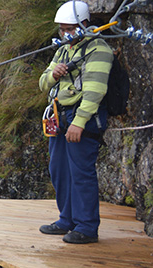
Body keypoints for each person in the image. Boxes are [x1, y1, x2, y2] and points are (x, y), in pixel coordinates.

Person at [38, 1, 113, 244]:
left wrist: (79, 122)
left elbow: (95, 91)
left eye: (69, 29)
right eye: (61, 29)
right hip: (60, 115)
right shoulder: (62, 50)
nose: (65, 33)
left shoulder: (98, 50)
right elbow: (42, 84)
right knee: (59, 169)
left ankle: (87, 227)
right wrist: (53, 74)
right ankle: (66, 220)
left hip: (83, 117)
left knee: (81, 172)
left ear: (83, 25)